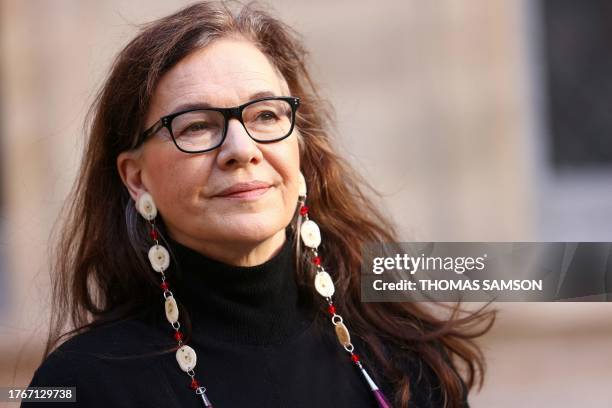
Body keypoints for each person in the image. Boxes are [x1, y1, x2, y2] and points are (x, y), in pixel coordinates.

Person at [23, 2, 494, 407]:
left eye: (266, 115)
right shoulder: (82, 385)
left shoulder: (404, 358)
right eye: (196, 126)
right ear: (136, 178)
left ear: (300, 149)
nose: (241, 148)